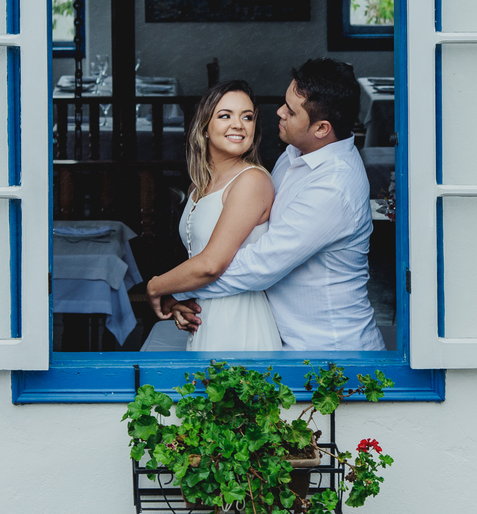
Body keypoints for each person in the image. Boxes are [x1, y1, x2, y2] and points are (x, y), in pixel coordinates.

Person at [148, 58, 385, 351]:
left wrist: (170, 288)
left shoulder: (334, 186)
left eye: (291, 110)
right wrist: (184, 292)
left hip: (328, 350)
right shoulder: (294, 154)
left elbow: (259, 265)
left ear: (322, 128)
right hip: (279, 335)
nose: (279, 112)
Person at [145, 80, 283, 351]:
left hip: (240, 323)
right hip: (204, 320)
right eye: (225, 116)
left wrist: (156, 286)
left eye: (247, 117)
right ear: (205, 127)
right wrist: (177, 301)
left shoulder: (251, 180)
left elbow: (211, 264)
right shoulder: (199, 185)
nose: (238, 125)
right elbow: (196, 259)